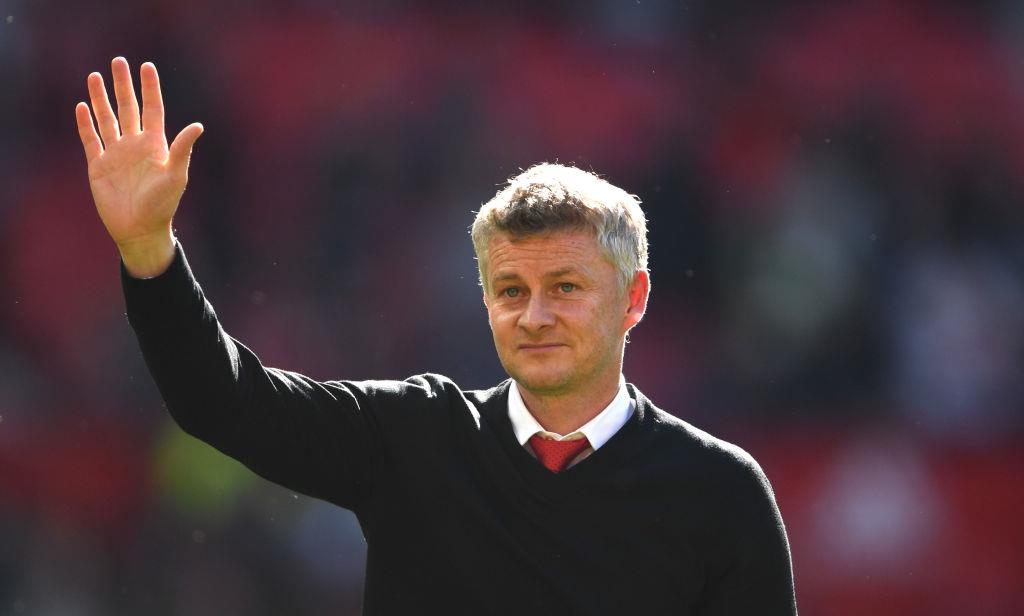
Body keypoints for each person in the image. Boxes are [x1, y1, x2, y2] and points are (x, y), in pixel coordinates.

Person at [76, 57, 797, 615]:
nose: (534, 315)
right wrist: (148, 251)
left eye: (566, 289)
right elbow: (220, 401)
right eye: (511, 291)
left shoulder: (720, 493)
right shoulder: (414, 437)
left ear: (633, 298)